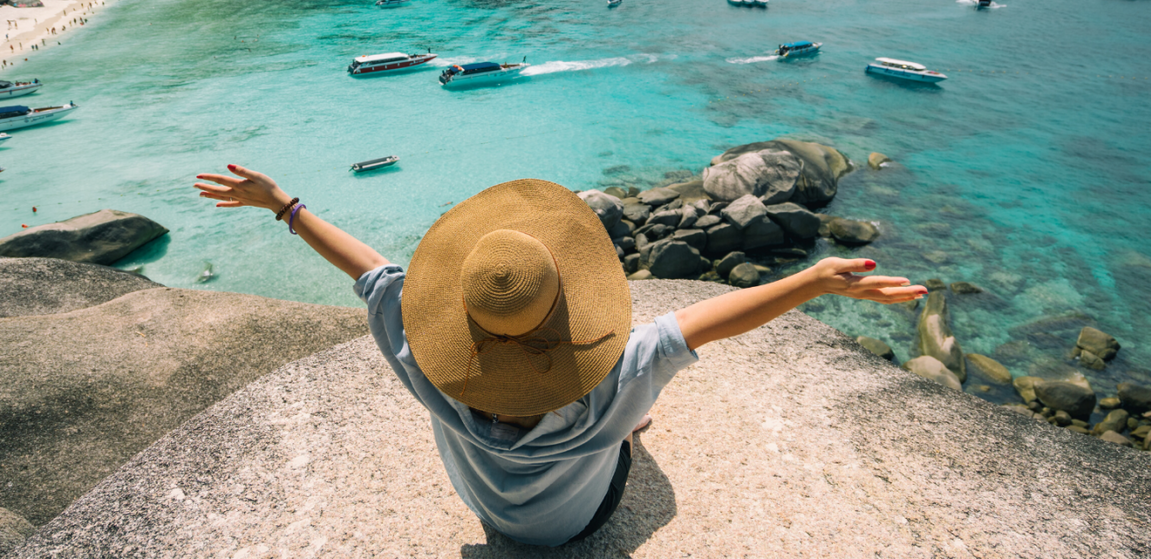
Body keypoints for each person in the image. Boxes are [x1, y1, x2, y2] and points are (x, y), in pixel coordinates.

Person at [194, 165, 925, 546]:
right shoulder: (609, 394)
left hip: (490, 511)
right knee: (635, 406)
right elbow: (701, 324)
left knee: (632, 383)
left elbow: (370, 272)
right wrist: (816, 280)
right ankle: (627, 435)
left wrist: (282, 205)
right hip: (582, 522)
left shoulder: (421, 361)